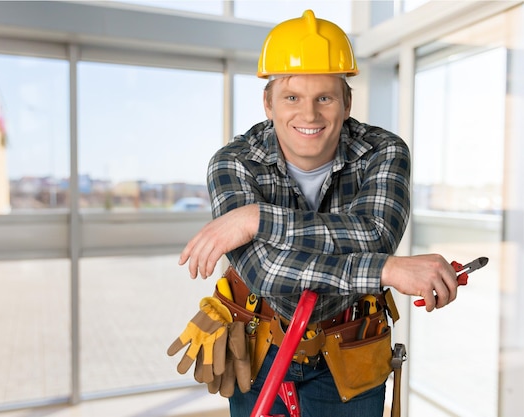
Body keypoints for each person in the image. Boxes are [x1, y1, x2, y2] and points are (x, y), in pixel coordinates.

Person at [178, 9, 459, 417]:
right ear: (268, 104)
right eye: (292, 97)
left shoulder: (382, 152)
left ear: (346, 102)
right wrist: (385, 270)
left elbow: (375, 234)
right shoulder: (234, 163)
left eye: (324, 97)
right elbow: (267, 272)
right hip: (259, 345)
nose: (309, 115)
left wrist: (258, 219)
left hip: (350, 344)